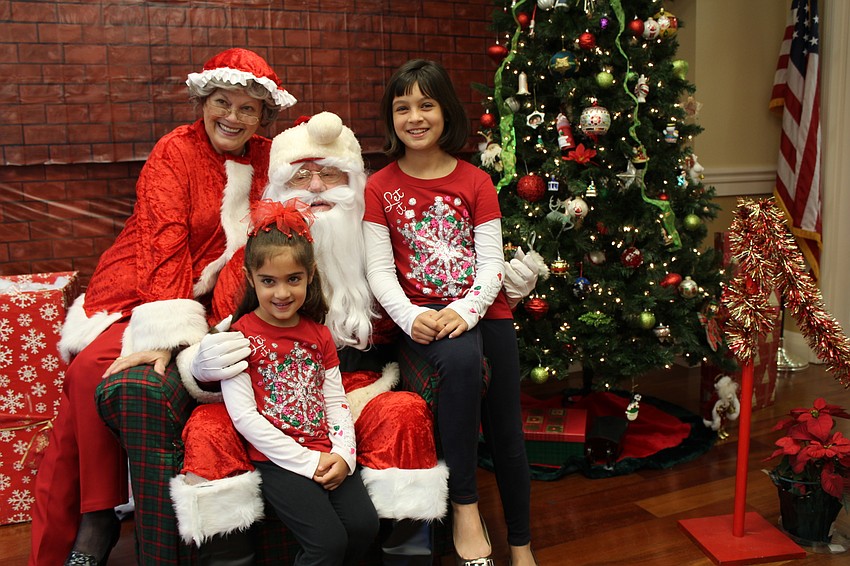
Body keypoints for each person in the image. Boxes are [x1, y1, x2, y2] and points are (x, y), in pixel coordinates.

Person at [30, 48, 297, 566]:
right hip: (139, 286)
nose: (232, 117)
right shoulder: (175, 150)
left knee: (83, 394)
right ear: (204, 101)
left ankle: (91, 523)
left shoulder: (269, 157)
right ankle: (97, 515)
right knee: (88, 373)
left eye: (247, 109)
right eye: (223, 102)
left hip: (206, 298)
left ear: (263, 116)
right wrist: (167, 337)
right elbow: (162, 241)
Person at [169, 112, 449, 565]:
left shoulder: (380, 250)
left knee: (405, 413)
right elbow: (224, 335)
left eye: (330, 173)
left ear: (355, 183)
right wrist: (201, 367)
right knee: (207, 429)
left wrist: (482, 302)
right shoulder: (248, 260)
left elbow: (430, 299)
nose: (316, 187)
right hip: (261, 400)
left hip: (356, 388)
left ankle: (407, 556)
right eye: (302, 175)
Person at [362, 59, 537, 566]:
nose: (414, 117)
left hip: (485, 310)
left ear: (446, 112)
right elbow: (379, 270)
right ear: (391, 117)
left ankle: (521, 544)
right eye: (402, 107)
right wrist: (409, 314)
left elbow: (491, 264)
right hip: (418, 315)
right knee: (460, 363)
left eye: (426, 104)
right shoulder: (380, 187)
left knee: (507, 429)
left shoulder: (476, 181)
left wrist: (466, 309)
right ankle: (464, 505)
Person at [199, 198, 380, 565]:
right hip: (279, 460)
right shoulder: (239, 337)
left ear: (310, 275)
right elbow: (245, 417)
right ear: (251, 279)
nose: (282, 293)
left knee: (365, 527)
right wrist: (306, 461)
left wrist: (344, 455)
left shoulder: (319, 335)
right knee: (326, 544)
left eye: (293, 280)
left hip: (327, 450)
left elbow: (335, 401)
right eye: (269, 281)